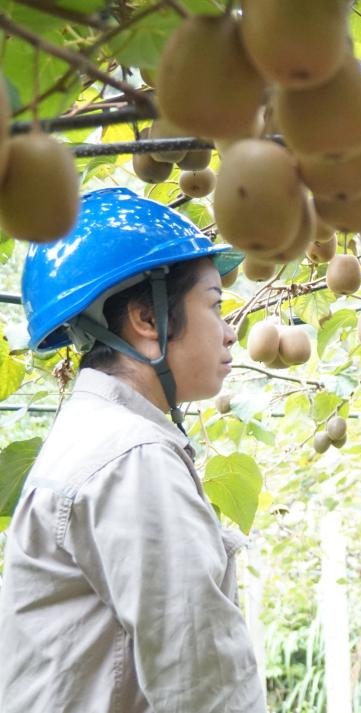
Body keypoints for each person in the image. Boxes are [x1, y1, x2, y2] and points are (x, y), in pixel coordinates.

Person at [0, 187, 266, 712]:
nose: (231, 332)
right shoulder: (131, 457)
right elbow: (203, 685)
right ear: (147, 320)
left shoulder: (96, 436)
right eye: (215, 305)